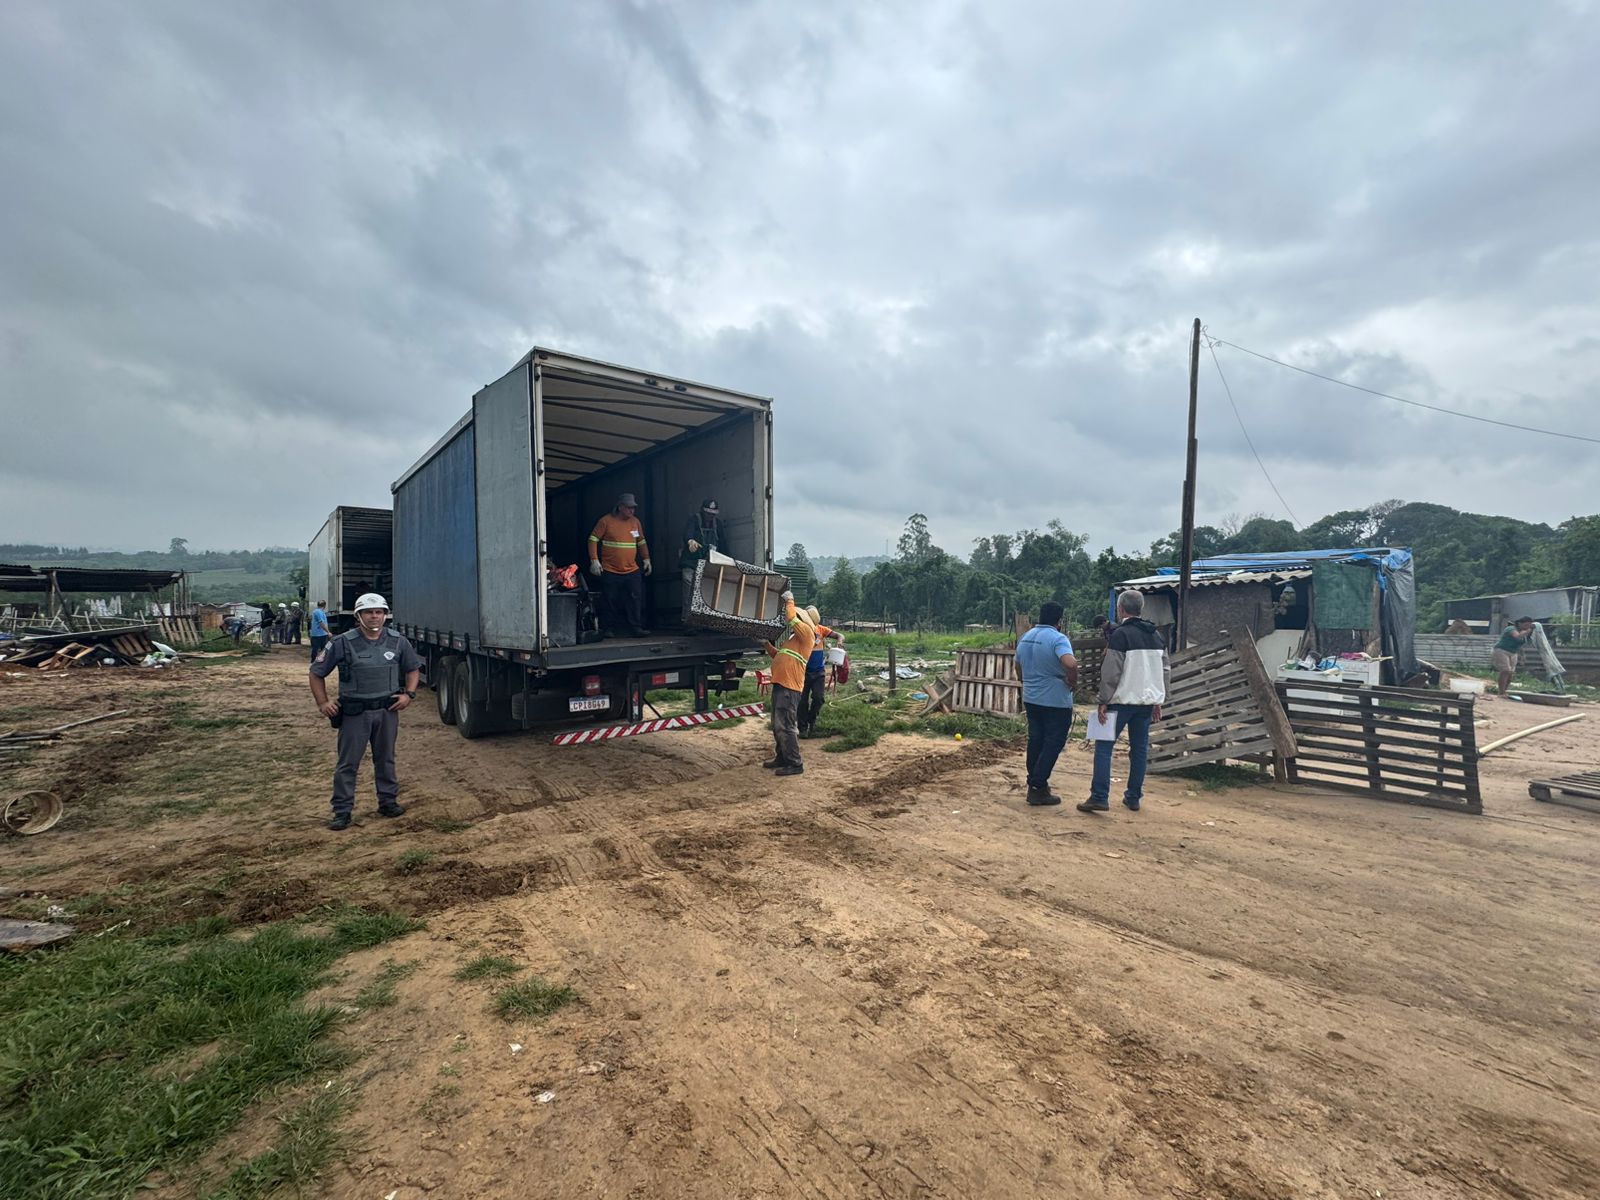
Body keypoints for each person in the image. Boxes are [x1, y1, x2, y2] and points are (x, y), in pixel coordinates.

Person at [308, 593, 422, 832]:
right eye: (369, 612)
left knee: (386, 759)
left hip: (387, 710)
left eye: (379, 612)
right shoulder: (341, 642)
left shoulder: (398, 641)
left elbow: (413, 669)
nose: (374, 616)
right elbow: (316, 673)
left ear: (385, 615)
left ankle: (388, 802)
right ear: (359, 616)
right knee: (348, 764)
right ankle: (342, 811)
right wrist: (323, 703)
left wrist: (408, 695)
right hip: (355, 713)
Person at [1080, 590, 1170, 815]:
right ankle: (1133, 797)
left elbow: (1111, 672)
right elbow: (1165, 670)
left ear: (1121, 610)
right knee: (1139, 750)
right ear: (1141, 609)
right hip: (1146, 704)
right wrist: (1158, 699)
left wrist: (1103, 700)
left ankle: (1099, 796)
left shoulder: (1120, 635)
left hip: (1120, 702)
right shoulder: (1157, 637)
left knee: (1104, 747)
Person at [1013, 601, 1078, 806]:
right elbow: (1071, 663)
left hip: (1031, 698)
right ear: (1059, 620)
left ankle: (1035, 781)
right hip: (1055, 701)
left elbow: (1017, 664)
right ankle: (1037, 786)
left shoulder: (1026, 637)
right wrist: (1072, 681)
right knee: (1053, 742)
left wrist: (1025, 681)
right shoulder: (1058, 638)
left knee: (1036, 740)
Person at [760, 591, 813, 777]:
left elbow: (790, 616)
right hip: (782, 685)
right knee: (777, 724)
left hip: (790, 687)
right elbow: (779, 656)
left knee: (786, 726)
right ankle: (782, 757)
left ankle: (795, 763)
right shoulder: (793, 640)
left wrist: (789, 600)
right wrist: (766, 644)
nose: (791, 621)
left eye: (796, 618)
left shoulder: (806, 633)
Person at [588, 492, 652, 638]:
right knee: (610, 600)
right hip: (610, 569)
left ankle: (636, 627)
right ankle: (608, 628)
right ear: (620, 507)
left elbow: (641, 541)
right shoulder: (606, 521)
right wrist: (594, 560)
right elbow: (592, 539)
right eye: (629, 508)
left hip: (632, 569)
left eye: (633, 508)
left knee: (635, 598)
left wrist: (646, 559)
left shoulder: (635, 522)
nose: (632, 511)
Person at [799, 604, 843, 738]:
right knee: (802, 701)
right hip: (803, 672)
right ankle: (802, 728)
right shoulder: (801, 631)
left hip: (818, 672)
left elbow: (839, 635)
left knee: (819, 698)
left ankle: (811, 720)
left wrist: (840, 641)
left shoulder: (821, 630)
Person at [679, 497, 726, 604]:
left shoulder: (718, 524)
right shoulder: (694, 520)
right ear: (703, 511)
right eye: (708, 513)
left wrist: (730, 561)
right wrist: (690, 541)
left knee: (707, 594)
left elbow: (723, 544)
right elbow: (687, 534)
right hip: (691, 563)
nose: (711, 516)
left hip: (708, 565)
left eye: (713, 513)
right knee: (689, 591)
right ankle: (687, 618)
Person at [1493, 616, 1534, 695]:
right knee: (1505, 670)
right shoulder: (1511, 629)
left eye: (1529, 625)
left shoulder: (1524, 634)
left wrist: (1522, 655)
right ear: (1519, 623)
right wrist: (1529, 630)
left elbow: (1520, 645)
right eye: (1526, 625)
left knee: (1510, 673)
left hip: (1513, 653)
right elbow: (1517, 636)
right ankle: (1501, 692)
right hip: (1502, 651)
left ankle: (1505, 691)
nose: (1527, 627)